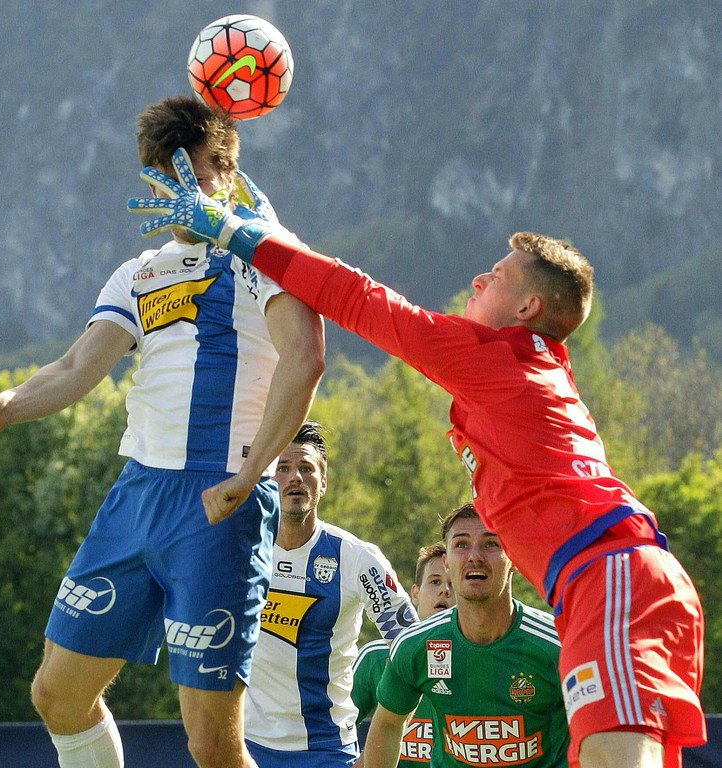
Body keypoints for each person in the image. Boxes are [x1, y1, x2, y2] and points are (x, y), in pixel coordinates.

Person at [133, 152, 706, 768]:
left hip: (608, 574)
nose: (478, 279)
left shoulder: (496, 358)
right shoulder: (530, 370)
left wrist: (234, 232)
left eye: (497, 275)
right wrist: (272, 238)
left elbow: (360, 299)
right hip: (616, 579)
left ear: (527, 310)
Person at [0, 97, 325, 768]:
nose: (179, 190)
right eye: (164, 176)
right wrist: (5, 406)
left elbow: (306, 358)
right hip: (138, 496)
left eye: (195, 173)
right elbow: (76, 367)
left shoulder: (266, 254)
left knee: (211, 743)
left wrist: (249, 473)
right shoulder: (139, 272)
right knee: (58, 694)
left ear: (229, 175)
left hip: (219, 502)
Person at [243, 421, 417, 768]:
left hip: (328, 749)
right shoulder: (239, 550)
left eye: (306, 468)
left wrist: (377, 750)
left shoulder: (357, 558)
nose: (295, 477)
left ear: (323, 481)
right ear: (265, 479)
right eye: (283, 468)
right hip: (247, 745)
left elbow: (411, 648)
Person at [362, 503, 569, 768]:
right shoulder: (416, 645)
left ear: (514, 557)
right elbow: (388, 724)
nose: (475, 556)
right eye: (461, 544)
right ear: (447, 562)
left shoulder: (558, 645)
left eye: (491, 544)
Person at [352, 542, 454, 767]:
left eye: (453, 583)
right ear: (415, 593)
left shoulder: (475, 658)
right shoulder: (376, 657)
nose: (445, 590)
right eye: (435, 581)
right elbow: (334, 728)